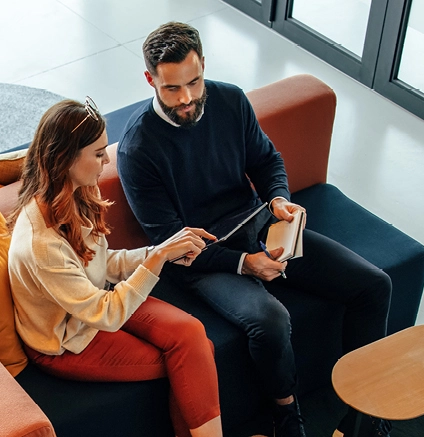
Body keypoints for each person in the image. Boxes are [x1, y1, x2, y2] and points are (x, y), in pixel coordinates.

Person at [117, 22, 395, 437]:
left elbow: (266, 161)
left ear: (204, 66)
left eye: (194, 82)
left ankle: (364, 411)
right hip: (200, 260)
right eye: (172, 89)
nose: (188, 98)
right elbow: (171, 242)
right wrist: (245, 264)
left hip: (258, 224)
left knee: (374, 285)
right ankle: (285, 415)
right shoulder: (137, 150)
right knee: (269, 319)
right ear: (150, 80)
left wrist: (278, 198)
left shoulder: (229, 100)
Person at [8, 98, 224, 437]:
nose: (107, 159)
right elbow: (105, 315)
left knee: (193, 336)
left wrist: (163, 251)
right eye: (97, 154)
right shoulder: (41, 245)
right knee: (195, 356)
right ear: (65, 159)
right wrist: (154, 261)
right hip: (65, 342)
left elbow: (103, 264)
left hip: (95, 302)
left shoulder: (77, 192)